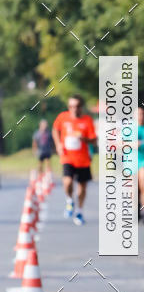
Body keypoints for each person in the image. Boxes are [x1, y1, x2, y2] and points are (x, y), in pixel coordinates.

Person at [52, 95, 97, 225]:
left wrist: (85, 139)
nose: (74, 109)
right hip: (67, 157)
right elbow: (55, 129)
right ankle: (69, 200)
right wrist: (58, 145)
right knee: (68, 182)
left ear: (81, 107)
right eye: (71, 106)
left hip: (83, 159)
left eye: (76, 106)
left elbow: (94, 140)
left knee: (82, 188)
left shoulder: (87, 120)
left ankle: (80, 211)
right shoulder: (63, 117)